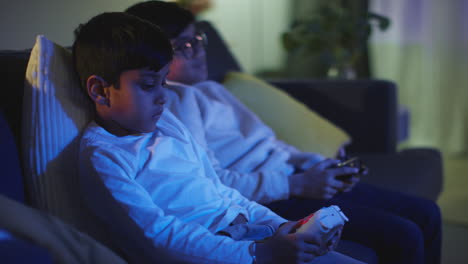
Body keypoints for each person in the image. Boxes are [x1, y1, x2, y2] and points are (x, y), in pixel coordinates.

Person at [125, 1, 442, 263]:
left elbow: (269, 141)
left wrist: (315, 162)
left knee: (427, 212)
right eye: (184, 46)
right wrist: (300, 182)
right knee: (405, 233)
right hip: (275, 197)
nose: (199, 52)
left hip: (299, 178)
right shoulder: (177, 102)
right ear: (154, 57)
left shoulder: (210, 89)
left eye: (198, 41)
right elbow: (211, 181)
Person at [73, 11, 363, 264]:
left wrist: (283, 227)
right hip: (223, 250)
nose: (163, 97)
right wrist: (259, 253)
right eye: (148, 85)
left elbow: (219, 190)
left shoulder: (167, 125)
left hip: (251, 235)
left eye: (163, 82)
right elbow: (156, 235)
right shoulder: (104, 156)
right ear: (99, 90)